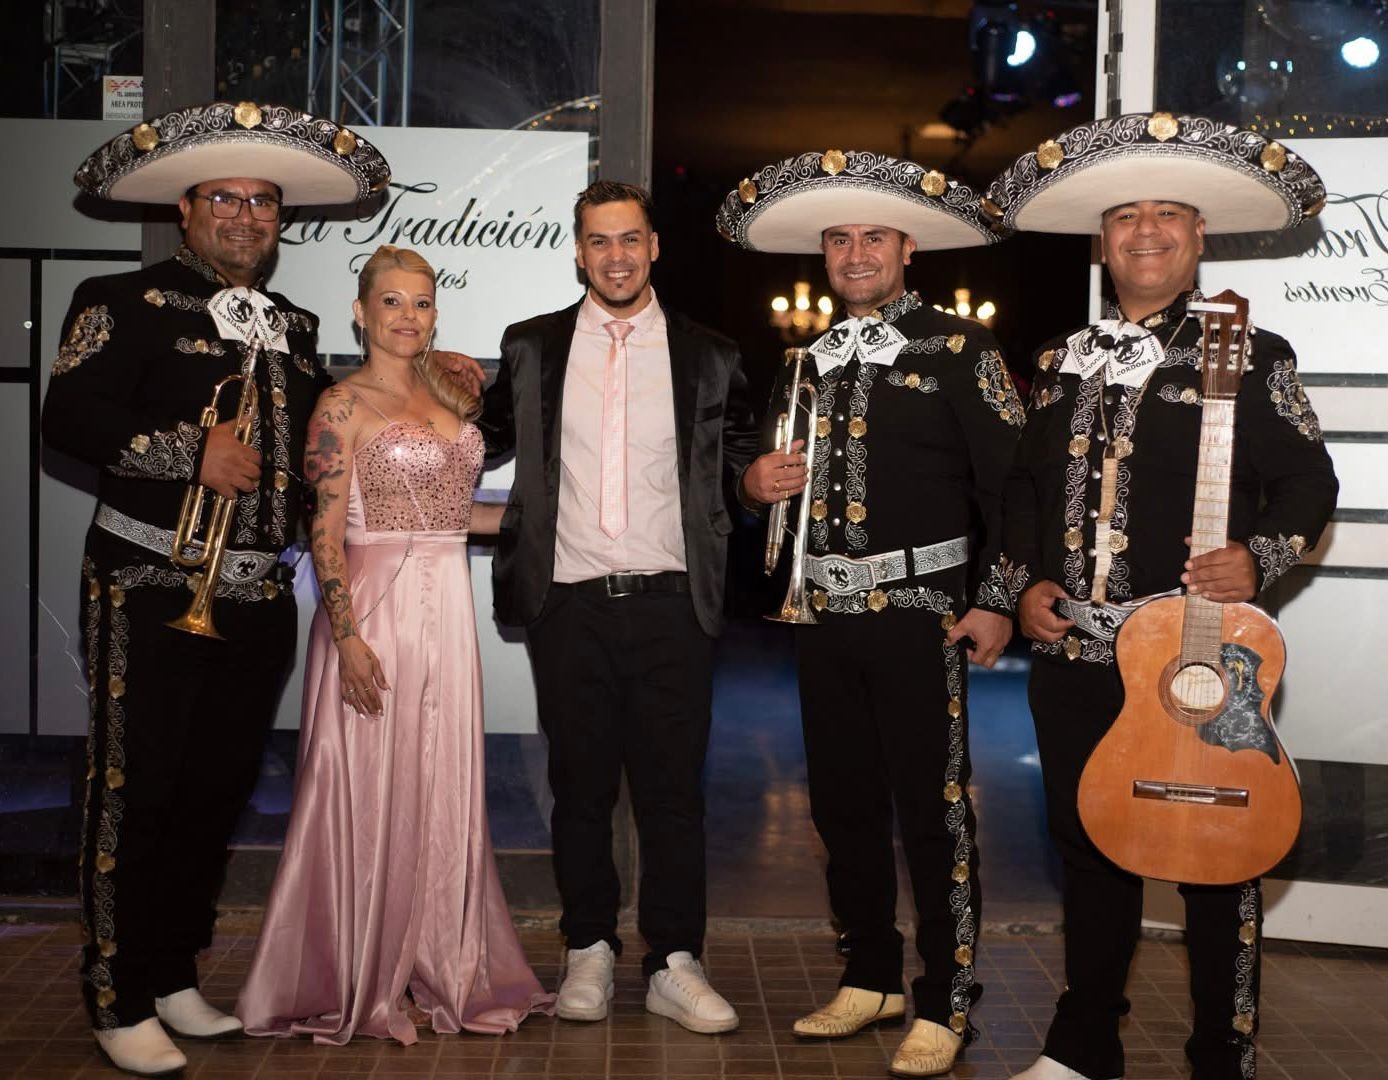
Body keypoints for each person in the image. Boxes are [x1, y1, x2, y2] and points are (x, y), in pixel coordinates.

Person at [41, 101, 392, 1077]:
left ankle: (171, 973)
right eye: (225, 200)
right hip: (149, 583)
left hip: (256, 598)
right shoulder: (120, 299)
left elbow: (327, 442)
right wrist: (187, 453)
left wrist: (430, 387)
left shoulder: (295, 326)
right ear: (187, 211)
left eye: (263, 203)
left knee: (213, 794)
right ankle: (115, 992)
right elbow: (67, 418)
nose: (245, 217)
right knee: (134, 789)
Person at [988, 112, 1339, 1080]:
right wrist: (1023, 586)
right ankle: (1082, 1046)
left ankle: (1221, 1056)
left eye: (1166, 215)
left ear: (1196, 233)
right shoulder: (1056, 360)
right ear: (1101, 242)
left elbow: (1309, 483)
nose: (1145, 232)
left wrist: (1257, 557)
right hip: (1072, 656)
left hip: (1198, 657)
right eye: (1124, 217)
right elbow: (1020, 492)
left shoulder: (1252, 353)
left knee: (1219, 856)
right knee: (1087, 848)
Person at [717, 150, 1026, 1077]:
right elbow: (769, 493)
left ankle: (947, 998)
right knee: (841, 806)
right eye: (840, 239)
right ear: (823, 253)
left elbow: (1014, 487)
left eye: (874, 238)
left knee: (935, 812)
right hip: (821, 619)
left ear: (907, 249)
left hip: (923, 616)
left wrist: (999, 599)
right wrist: (753, 487)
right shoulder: (803, 360)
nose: (856, 254)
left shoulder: (961, 350)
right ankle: (872, 976)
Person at [475, 179, 793, 1036]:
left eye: (629, 240)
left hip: (671, 605)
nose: (614, 257)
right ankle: (587, 947)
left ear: (654, 247)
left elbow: (739, 467)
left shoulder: (711, 354)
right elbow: (483, 438)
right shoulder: (532, 347)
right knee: (579, 791)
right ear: (578, 253)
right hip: (567, 604)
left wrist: (755, 485)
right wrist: (409, 391)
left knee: (673, 796)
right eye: (598, 241)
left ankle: (674, 961)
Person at [235, 244, 552, 1044]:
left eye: (421, 302)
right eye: (392, 302)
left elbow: (453, 514)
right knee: (368, 789)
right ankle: (359, 969)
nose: (408, 317)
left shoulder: (446, 391)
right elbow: (323, 531)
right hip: (373, 611)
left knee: (439, 786)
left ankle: (435, 958)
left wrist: (549, 518)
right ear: (360, 312)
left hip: (446, 608)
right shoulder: (341, 406)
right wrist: (346, 637)